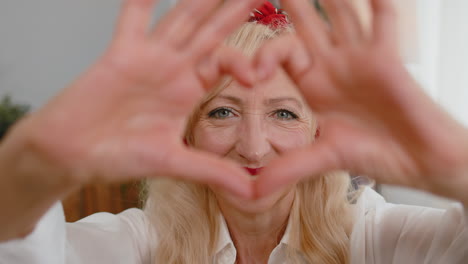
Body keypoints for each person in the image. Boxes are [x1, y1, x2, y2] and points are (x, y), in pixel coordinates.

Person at [0, 0, 467, 263]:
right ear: (187, 132)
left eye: (285, 114)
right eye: (222, 113)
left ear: (318, 132)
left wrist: (457, 165)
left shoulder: (377, 238)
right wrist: (33, 161)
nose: (253, 147)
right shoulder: (140, 244)